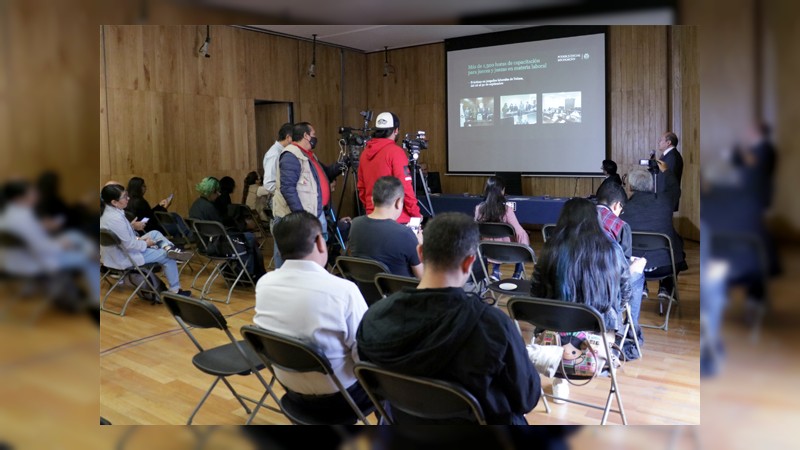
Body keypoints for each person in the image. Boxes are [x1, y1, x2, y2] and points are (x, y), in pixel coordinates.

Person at [357, 212, 540, 425]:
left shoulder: (374, 318)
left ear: (420, 252)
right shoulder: (494, 327)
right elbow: (527, 398)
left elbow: (372, 387)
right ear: (469, 262)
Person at [253, 211, 372, 417]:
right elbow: (364, 355)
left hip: (290, 390)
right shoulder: (343, 290)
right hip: (343, 398)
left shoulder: (264, 284)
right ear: (320, 242)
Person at [531, 197, 632, 402]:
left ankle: (559, 380)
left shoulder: (551, 249)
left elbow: (536, 292)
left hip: (554, 336)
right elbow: (625, 293)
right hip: (599, 338)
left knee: (558, 320)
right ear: (595, 220)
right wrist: (609, 313)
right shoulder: (612, 249)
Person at [0, 180, 101, 309]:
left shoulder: (6, 214)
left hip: (11, 262)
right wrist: (62, 245)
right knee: (90, 259)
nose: (35, 194)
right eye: (32, 192)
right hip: (35, 262)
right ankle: (96, 298)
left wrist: (43, 229)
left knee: (74, 235)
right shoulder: (24, 217)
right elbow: (41, 247)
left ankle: (87, 253)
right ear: (20, 198)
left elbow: (29, 240)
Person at [99, 183, 191, 296]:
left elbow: (121, 237)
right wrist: (145, 243)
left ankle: (171, 249)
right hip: (125, 256)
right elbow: (129, 245)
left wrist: (132, 228)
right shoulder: (115, 218)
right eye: (124, 197)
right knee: (167, 256)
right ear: (114, 202)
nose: (128, 198)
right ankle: (175, 290)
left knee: (154, 233)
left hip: (115, 254)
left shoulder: (107, 213)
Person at [272, 122, 341, 268]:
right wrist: (301, 217)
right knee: (288, 257)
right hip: (295, 218)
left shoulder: (308, 155)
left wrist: (341, 165)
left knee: (313, 258)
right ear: (306, 135)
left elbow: (326, 173)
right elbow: (288, 189)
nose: (315, 138)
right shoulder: (291, 155)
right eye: (314, 135)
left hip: (314, 213)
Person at [621, 168, 687, 300]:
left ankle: (642, 285)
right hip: (666, 267)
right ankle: (666, 287)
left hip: (635, 267)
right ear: (651, 185)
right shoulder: (665, 201)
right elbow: (675, 189)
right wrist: (667, 171)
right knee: (678, 248)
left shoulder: (624, 207)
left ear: (631, 187)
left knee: (637, 248)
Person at [595, 181, 646, 352]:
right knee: (638, 275)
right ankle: (632, 331)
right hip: (604, 289)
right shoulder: (620, 226)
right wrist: (635, 265)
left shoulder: (576, 218)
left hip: (575, 285)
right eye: (621, 210)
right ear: (617, 205)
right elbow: (621, 270)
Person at [189, 177, 266, 279]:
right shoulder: (209, 208)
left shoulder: (195, 205)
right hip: (214, 245)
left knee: (245, 238)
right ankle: (248, 273)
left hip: (202, 244)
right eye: (217, 192)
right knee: (249, 238)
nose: (219, 194)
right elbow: (221, 229)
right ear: (211, 192)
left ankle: (242, 271)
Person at [348, 176, 423, 278]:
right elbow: (423, 278)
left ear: (372, 200)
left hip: (364, 292)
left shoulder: (355, 225)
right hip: (401, 292)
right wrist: (420, 245)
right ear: (398, 202)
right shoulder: (406, 234)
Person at [357, 112, 421, 224]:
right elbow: (405, 187)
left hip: (372, 216)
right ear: (396, 130)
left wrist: (371, 209)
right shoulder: (396, 152)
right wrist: (416, 214)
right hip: (397, 219)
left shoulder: (364, 153)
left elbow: (361, 188)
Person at [474, 176, 529, 280]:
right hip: (507, 252)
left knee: (493, 239)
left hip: (486, 251)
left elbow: (475, 232)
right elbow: (519, 232)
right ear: (501, 191)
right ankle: (517, 273)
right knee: (523, 236)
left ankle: (495, 271)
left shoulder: (478, 209)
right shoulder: (507, 210)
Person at [262, 122, 294, 195]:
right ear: (288, 137)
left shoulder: (284, 151)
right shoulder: (274, 154)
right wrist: (287, 192)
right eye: (295, 139)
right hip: (280, 200)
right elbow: (269, 184)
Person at [656, 131, 684, 211]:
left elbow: (667, 179)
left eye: (661, 140)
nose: (659, 142)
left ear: (668, 142)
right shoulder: (668, 155)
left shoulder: (672, 157)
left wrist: (658, 199)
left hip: (665, 199)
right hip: (663, 199)